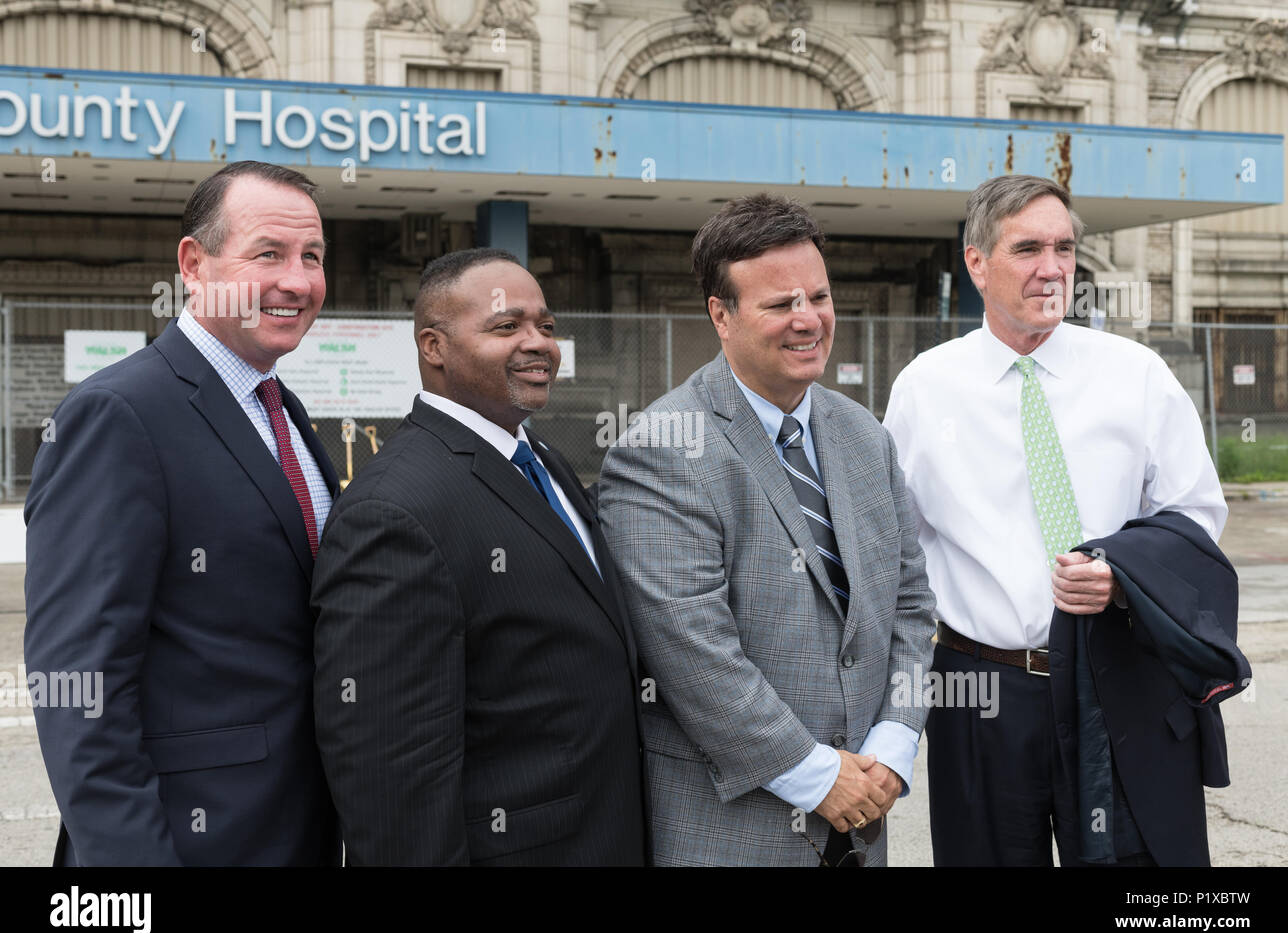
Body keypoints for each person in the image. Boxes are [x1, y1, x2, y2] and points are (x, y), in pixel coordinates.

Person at [883, 174, 1230, 866]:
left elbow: (1196, 515)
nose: (1053, 268)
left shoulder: (1136, 375)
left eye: (1065, 248)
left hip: (1119, 676)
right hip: (981, 692)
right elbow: (896, 551)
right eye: (1029, 248)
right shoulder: (924, 389)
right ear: (976, 263)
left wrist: (1121, 579)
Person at [597, 194, 936, 866]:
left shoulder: (865, 436)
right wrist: (819, 777)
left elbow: (912, 606)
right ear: (720, 315)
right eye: (781, 305)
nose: (807, 319)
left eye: (818, 295)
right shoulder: (661, 448)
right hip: (733, 833)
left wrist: (894, 745)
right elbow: (692, 653)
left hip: (863, 820)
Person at [24, 160, 340, 865]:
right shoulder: (119, 414)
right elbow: (81, 683)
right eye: (269, 254)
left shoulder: (284, 412)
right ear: (194, 265)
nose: (298, 280)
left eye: (312, 256)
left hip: (297, 832)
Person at [312, 247, 646, 866]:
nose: (539, 343)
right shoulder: (393, 510)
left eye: (545, 326)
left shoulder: (540, 460)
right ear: (434, 347)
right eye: (506, 326)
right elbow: (391, 774)